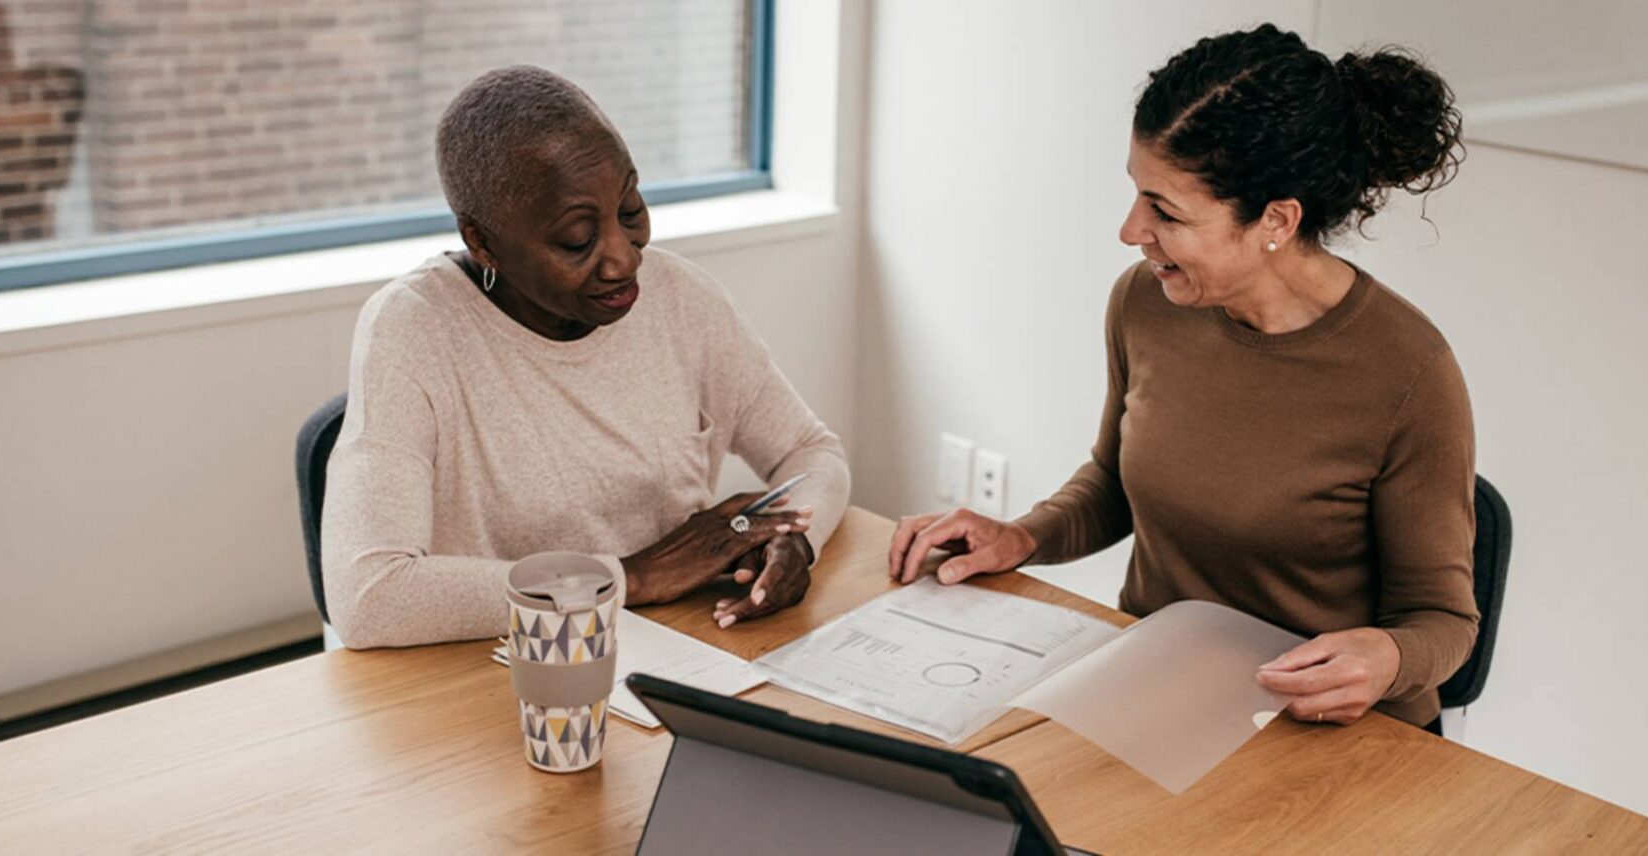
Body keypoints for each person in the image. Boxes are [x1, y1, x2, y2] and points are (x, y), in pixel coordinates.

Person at [889, 24, 1475, 731]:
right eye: (1139, 194)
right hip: (1163, 694)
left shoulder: (1408, 373)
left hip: (1328, 733)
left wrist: (1388, 657)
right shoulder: (1147, 303)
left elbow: (1441, 620)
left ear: (1275, 220)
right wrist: (1022, 537)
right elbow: (1113, 481)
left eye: (1165, 210)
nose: (1132, 229)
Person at [323, 65, 849, 649]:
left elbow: (810, 451)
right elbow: (369, 597)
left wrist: (795, 537)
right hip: (491, 670)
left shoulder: (682, 300)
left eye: (630, 210)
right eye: (577, 240)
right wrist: (633, 575)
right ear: (483, 241)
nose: (623, 259)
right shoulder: (414, 328)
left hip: (673, 649)